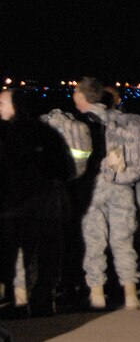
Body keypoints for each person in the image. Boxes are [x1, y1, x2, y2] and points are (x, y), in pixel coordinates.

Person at [0, 87, 71, 317]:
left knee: (14, 260)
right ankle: (40, 303)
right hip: (42, 207)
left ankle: (17, 304)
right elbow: (64, 169)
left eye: (2, 103)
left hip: (16, 209)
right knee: (41, 260)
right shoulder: (47, 134)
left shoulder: (7, 134)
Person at [73, 77, 140, 310]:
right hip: (122, 183)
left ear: (82, 96)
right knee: (123, 242)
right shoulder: (122, 119)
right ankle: (131, 295)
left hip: (94, 187)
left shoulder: (80, 121)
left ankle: (97, 295)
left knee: (95, 242)